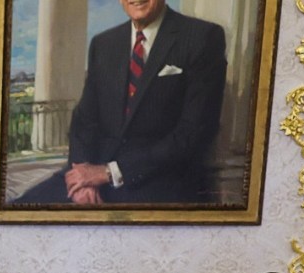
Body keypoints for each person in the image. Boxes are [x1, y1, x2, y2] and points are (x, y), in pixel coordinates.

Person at [16, 0, 226, 205]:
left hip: (158, 180)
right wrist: (83, 178)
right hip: (94, 175)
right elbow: (84, 121)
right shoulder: (104, 43)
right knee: (20, 208)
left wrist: (110, 172)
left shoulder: (202, 37)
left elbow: (194, 132)